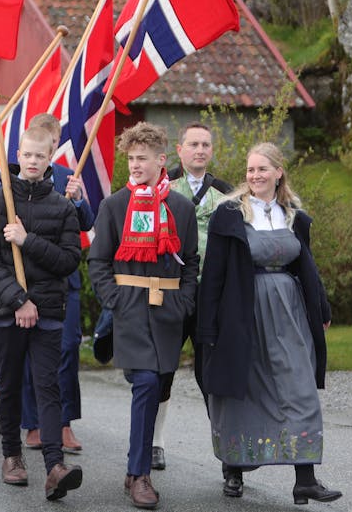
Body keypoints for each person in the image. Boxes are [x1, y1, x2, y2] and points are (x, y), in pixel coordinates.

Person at [197, 143, 341, 504]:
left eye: (262, 169)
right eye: (250, 169)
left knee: (300, 388)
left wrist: (321, 308)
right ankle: (234, 469)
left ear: (279, 172)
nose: (255, 175)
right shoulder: (229, 215)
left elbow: (307, 266)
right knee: (242, 391)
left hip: (289, 314)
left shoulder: (293, 215)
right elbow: (213, 275)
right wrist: (207, 329)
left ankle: (305, 479)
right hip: (242, 313)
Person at [88, 122, 198, 510]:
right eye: (131, 158)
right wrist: (116, 300)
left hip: (168, 312)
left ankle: (134, 470)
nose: (135, 165)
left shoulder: (181, 208)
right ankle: (140, 474)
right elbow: (98, 261)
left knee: (158, 385)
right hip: (130, 310)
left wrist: (184, 302)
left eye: (143, 158)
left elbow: (191, 262)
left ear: (161, 160)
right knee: (147, 382)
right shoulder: (114, 206)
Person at [0, 126, 83, 499]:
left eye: (41, 155)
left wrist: (27, 240)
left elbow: (68, 260)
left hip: (48, 311)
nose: (33, 161)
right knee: (10, 383)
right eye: (28, 154)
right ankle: (11, 456)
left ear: (51, 157)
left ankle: (55, 466)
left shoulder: (63, 207)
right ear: (18, 155)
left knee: (48, 386)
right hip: (7, 311)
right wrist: (19, 300)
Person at [150, 121, 232, 470]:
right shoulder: (161, 187)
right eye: (193, 144)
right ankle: (155, 443)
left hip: (211, 297)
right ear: (179, 150)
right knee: (163, 370)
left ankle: (228, 453)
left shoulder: (226, 194)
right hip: (173, 291)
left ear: (211, 151)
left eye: (205, 145)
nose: (200, 150)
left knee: (212, 375)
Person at [19, 114, 96, 452]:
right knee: (29, 352)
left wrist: (78, 200)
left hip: (64, 280)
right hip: (26, 277)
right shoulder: (12, 180)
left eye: (51, 143)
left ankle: (63, 423)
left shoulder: (68, 176)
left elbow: (87, 222)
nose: (42, 151)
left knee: (66, 349)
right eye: (37, 144)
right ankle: (33, 422)